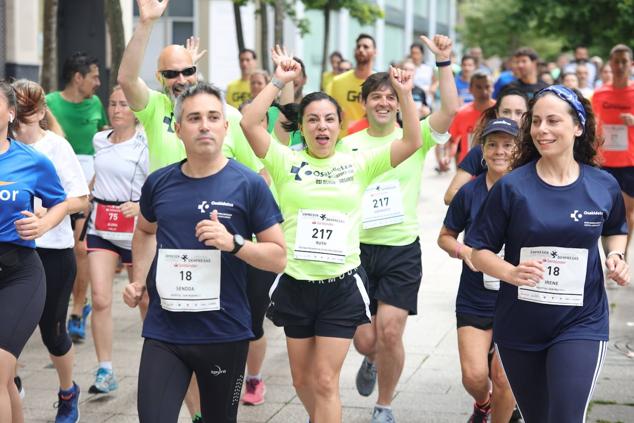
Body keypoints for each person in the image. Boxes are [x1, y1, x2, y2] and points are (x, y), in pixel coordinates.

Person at [240, 45, 425, 423]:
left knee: (325, 380)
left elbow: (412, 142)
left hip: (340, 286)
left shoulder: (359, 161)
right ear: (303, 127)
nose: (321, 126)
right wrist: (279, 80)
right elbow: (249, 122)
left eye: (329, 120)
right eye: (312, 120)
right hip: (295, 283)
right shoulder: (284, 159)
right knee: (301, 381)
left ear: (340, 126)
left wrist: (404, 94)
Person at [123, 82, 286, 423]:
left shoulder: (248, 184)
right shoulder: (159, 182)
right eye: (194, 118)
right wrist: (138, 280)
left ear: (226, 127)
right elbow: (145, 230)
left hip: (223, 330)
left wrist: (234, 243)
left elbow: (277, 255)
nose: (205, 125)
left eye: (213, 117)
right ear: (178, 129)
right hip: (165, 329)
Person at [469, 85, 629, 422]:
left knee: (566, 418)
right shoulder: (512, 187)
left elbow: (615, 229)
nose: (542, 130)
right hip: (520, 325)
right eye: (536, 121)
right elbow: (479, 250)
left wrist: (617, 256)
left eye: (553, 121)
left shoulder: (603, 184)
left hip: (580, 321)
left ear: (578, 126)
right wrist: (509, 272)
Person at [342, 36, 457, 423]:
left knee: (390, 332)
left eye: (391, 97)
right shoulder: (346, 145)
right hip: (355, 250)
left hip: (400, 249)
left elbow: (450, 109)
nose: (384, 102)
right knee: (366, 340)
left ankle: (384, 405)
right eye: (376, 96)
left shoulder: (417, 136)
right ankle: (372, 360)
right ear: (364, 102)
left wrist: (442, 63)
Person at [11, 79, 89, 423]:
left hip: (53, 252)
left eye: (30, 115)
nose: (22, 123)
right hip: (13, 254)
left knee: (53, 335)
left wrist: (47, 214)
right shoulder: (5, 147)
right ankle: (10, 385)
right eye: (19, 115)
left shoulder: (56, 148)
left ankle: (67, 391)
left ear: (42, 112)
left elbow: (80, 199)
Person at [438, 118, 519, 423]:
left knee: (502, 377)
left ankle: (503, 414)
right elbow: (444, 237)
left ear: (519, 149)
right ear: (483, 150)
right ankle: (483, 405)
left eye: (508, 145)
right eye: (492, 144)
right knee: (474, 376)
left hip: (516, 297)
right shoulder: (469, 192)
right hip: (475, 295)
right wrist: (465, 251)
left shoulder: (529, 188)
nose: (500, 151)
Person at [0, 80, 68, 423]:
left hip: (19, 273)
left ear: (11, 113)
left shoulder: (32, 161)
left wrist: (43, 225)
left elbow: (61, 203)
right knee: (4, 377)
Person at [83, 86, 149, 395]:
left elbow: (157, 180)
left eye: (124, 103)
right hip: (101, 225)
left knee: (144, 299)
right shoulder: (100, 140)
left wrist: (141, 205)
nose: (117, 109)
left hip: (136, 230)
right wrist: (88, 191)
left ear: (136, 109)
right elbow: (99, 175)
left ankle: (156, 361)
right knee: (100, 298)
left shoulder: (145, 143)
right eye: (112, 103)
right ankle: (105, 370)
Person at [46, 51, 108, 342]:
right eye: (93, 76)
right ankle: (52, 306)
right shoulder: (50, 103)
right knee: (59, 248)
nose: (98, 82)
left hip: (88, 186)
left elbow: (102, 138)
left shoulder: (95, 104)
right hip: (55, 187)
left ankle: (76, 310)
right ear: (77, 77)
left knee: (82, 249)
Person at [443, 87, 529, 205]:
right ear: (497, 113)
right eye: (506, 111)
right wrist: (489, 206)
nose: (512, 118)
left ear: (528, 116)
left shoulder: (534, 151)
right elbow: (450, 196)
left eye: (519, 113)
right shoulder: (482, 150)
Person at [592, 44, 634, 257]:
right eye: (615, 61)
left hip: (630, 162)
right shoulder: (600, 94)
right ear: (610, 64)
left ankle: (621, 256)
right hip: (604, 160)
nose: (619, 66)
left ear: (631, 64)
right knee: (603, 212)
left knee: (627, 213)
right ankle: (608, 255)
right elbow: (592, 124)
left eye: (623, 61)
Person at [327, 34, 376, 136]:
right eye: (358, 46)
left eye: (366, 47)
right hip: (342, 141)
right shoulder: (337, 81)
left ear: (375, 52)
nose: (361, 50)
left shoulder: (379, 83)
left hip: (369, 141)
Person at [444, 72, 494, 166]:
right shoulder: (461, 113)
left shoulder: (501, 111)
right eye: (478, 87)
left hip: (494, 167)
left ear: (493, 88)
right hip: (469, 168)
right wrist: (447, 157)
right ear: (470, 89)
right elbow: (452, 140)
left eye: (487, 86)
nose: (484, 91)